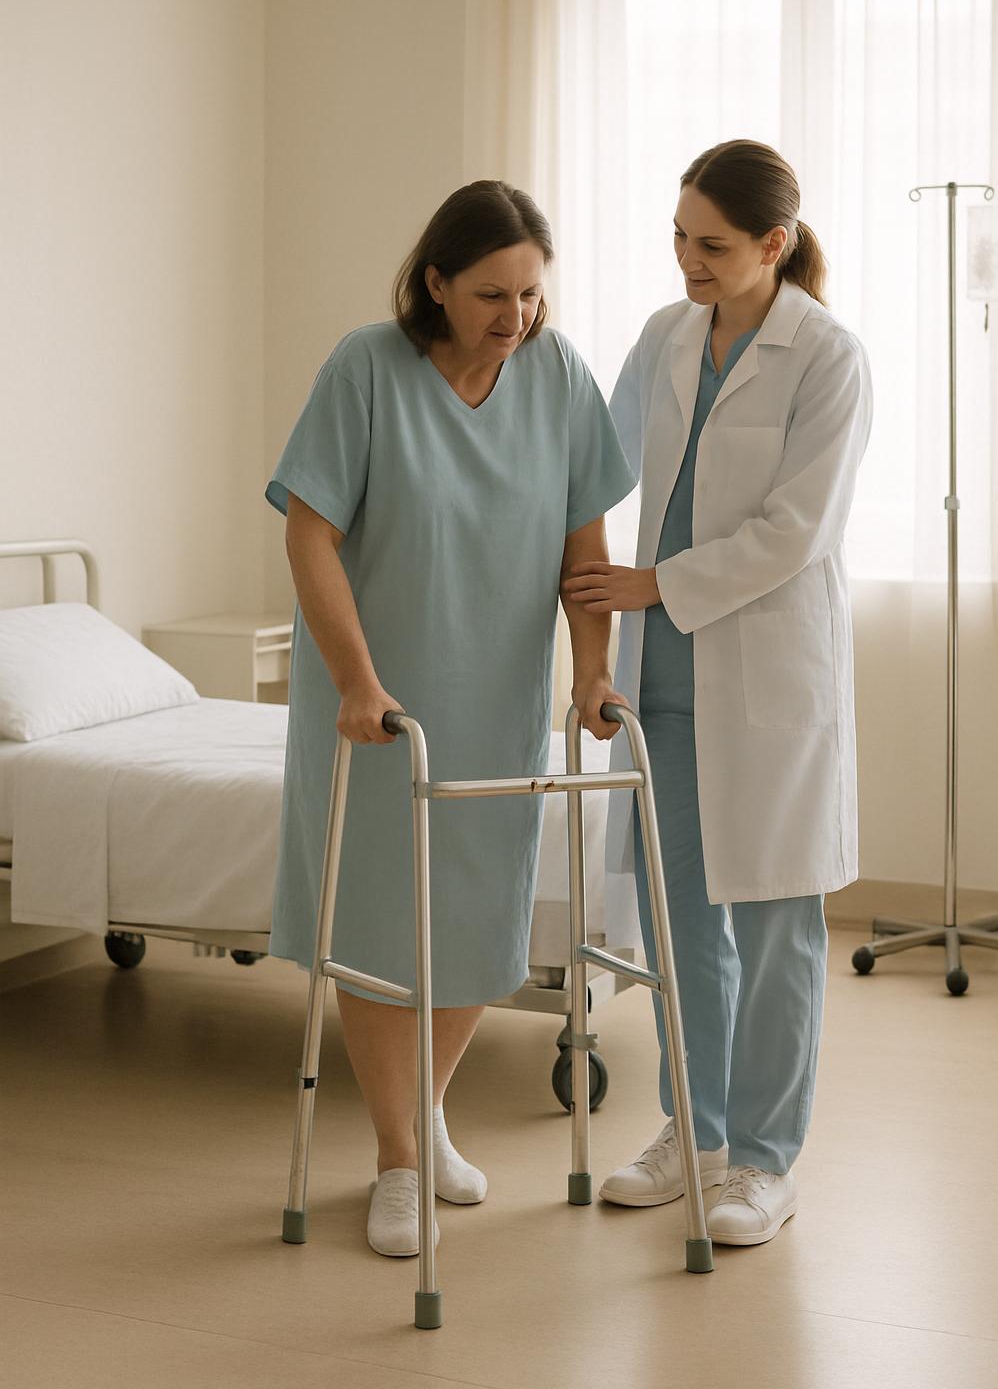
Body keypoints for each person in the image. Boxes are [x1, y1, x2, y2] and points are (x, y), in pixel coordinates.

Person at [266, 180, 634, 1258]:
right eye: (488, 295)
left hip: (495, 697)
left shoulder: (557, 375)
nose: (513, 317)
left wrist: (592, 674)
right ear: (435, 282)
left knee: (477, 926)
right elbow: (308, 535)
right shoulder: (365, 369)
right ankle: (393, 1161)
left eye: (528, 294)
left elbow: (586, 555)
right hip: (377, 705)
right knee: (386, 927)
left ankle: (420, 1116)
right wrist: (354, 683)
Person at [564, 140, 872, 1246]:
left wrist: (655, 583)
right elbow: (590, 463)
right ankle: (689, 1130)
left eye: (712, 244)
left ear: (771, 245)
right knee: (678, 918)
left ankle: (763, 1161)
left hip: (767, 678)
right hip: (665, 686)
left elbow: (799, 529)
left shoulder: (826, 355)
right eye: (679, 239)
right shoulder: (663, 335)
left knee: (779, 921)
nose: (689, 261)